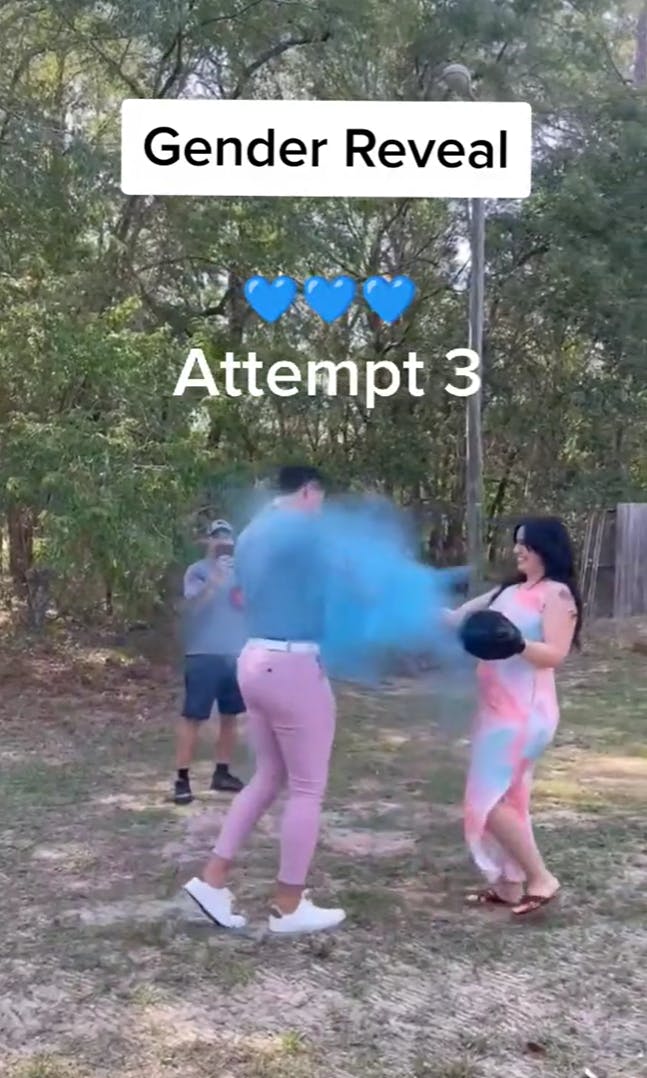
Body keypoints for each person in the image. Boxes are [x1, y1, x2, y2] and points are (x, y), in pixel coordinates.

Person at [183, 465, 346, 935]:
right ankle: (289, 906)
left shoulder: (253, 533)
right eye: (322, 498)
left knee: (269, 776)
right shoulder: (300, 530)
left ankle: (212, 881)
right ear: (309, 491)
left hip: (253, 658)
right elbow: (349, 575)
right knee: (308, 787)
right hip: (292, 664)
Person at [447, 517, 582, 915]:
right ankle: (509, 885)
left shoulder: (557, 595)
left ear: (547, 548)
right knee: (513, 797)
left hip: (525, 714)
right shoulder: (507, 590)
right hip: (493, 710)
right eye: (516, 543)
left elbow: (555, 653)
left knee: (484, 802)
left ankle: (541, 877)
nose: (518, 550)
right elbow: (457, 619)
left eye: (526, 544)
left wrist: (518, 642)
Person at [174, 519, 246, 805]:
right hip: (202, 654)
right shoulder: (197, 571)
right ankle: (182, 780)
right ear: (208, 542)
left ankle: (222, 773)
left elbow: (246, 608)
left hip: (234, 654)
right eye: (217, 537)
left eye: (227, 537)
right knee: (194, 718)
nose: (223, 542)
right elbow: (192, 608)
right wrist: (215, 581)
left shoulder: (241, 573)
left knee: (231, 715)